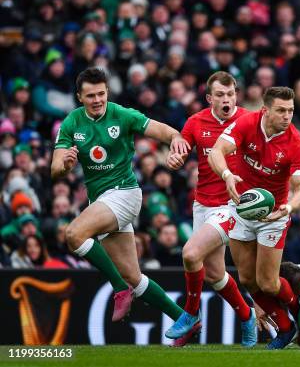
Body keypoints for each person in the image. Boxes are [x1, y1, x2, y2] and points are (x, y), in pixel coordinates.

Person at [164, 73, 300, 345]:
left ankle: (193, 313)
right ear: (209, 98)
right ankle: (254, 317)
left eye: (230, 94)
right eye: (220, 95)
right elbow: (199, 150)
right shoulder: (223, 122)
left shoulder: (269, 128)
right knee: (231, 276)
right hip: (220, 205)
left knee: (198, 256)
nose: (287, 116)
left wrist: (294, 198)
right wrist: (179, 158)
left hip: (253, 208)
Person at [50, 67, 196, 346]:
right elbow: (55, 168)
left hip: (125, 193)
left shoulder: (122, 114)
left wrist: (177, 138)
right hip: (102, 202)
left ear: (108, 92)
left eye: (101, 94)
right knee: (133, 275)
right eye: (91, 95)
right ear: (79, 97)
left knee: (73, 235)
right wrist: (65, 165)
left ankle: (119, 290)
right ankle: (185, 319)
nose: (97, 100)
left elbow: (162, 130)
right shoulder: (71, 123)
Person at [208, 86, 300, 349]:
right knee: (248, 280)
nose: (287, 116)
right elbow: (217, 152)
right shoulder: (247, 123)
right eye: (281, 110)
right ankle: (286, 330)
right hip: (241, 209)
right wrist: (227, 175)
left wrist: (287, 209)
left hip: (274, 215)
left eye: (291, 111)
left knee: (268, 282)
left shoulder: (296, 143)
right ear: (265, 110)